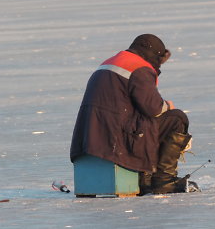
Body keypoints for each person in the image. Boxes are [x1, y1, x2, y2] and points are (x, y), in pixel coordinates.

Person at [70, 34, 197, 194]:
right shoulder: (140, 68)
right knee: (177, 118)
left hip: (91, 139)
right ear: (155, 56)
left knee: (144, 122)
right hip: (117, 140)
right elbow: (153, 108)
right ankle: (163, 180)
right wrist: (168, 106)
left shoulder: (111, 62)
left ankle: (145, 177)